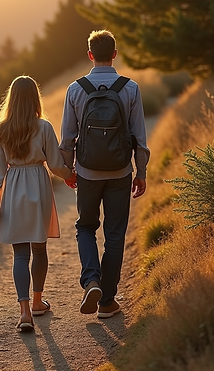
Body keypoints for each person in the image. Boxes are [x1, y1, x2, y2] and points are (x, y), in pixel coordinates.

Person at [59, 29, 150, 319]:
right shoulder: (130, 88)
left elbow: (67, 138)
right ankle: (107, 301)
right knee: (115, 233)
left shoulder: (75, 89)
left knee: (85, 227)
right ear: (114, 54)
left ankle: (92, 280)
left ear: (89, 55)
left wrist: (68, 171)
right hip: (120, 171)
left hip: (86, 172)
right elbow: (139, 136)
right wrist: (141, 172)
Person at [0, 75, 74, 332]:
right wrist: (71, 176)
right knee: (39, 249)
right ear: (35, 98)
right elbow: (56, 164)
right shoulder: (44, 127)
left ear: (11, 100)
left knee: (20, 254)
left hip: (13, 187)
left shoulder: (2, 130)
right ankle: (37, 301)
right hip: (38, 183)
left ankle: (24, 312)